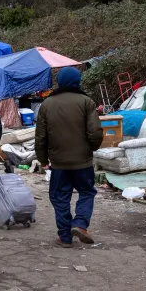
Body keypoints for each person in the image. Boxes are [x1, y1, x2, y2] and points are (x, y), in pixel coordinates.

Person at [35, 67, 103, 248]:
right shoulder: (87, 102)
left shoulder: (47, 104)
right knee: (87, 192)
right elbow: (95, 132)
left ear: (60, 82)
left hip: (58, 163)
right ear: (78, 81)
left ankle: (65, 237)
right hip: (83, 162)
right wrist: (92, 148)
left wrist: (43, 160)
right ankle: (80, 223)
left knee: (60, 197)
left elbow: (41, 137)